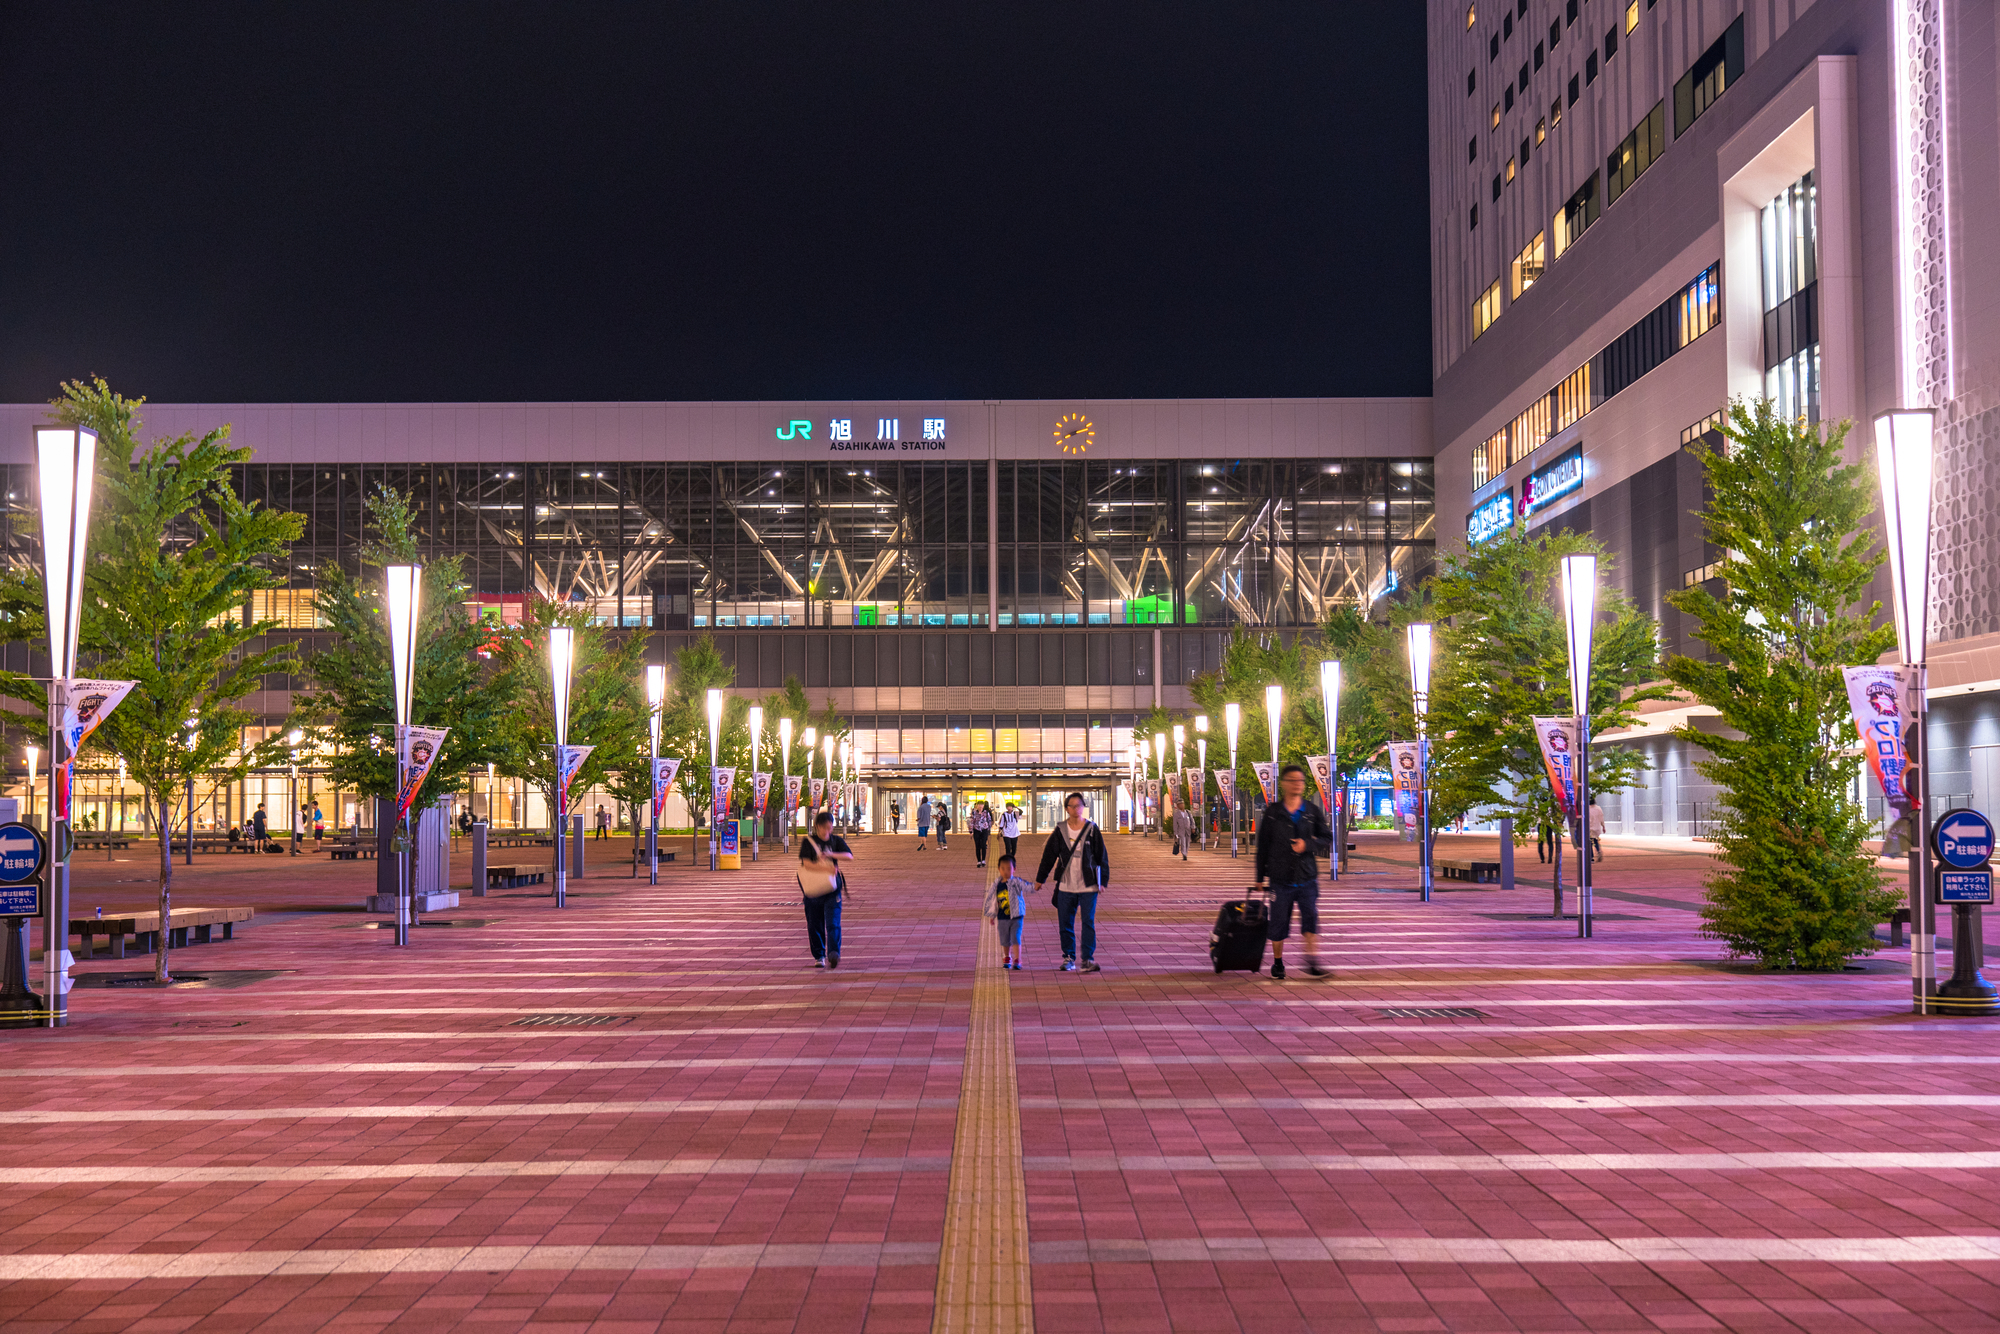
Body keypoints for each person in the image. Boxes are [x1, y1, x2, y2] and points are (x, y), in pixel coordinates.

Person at [1256, 763, 1332, 980]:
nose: (1298, 784)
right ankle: (1278, 963)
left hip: (1306, 877)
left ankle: (1312, 962)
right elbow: (1263, 847)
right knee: (1279, 922)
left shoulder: (1310, 811)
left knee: (1310, 918)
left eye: (1301, 780)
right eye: (1293, 780)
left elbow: (1327, 837)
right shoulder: (1273, 813)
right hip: (1280, 878)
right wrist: (1260, 878)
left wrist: (1306, 845)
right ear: (1284, 784)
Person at [1033, 791, 1110, 972]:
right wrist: (1040, 879)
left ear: (1084, 807)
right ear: (1066, 809)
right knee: (1065, 923)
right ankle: (1069, 957)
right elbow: (1049, 856)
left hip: (1088, 884)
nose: (1076, 809)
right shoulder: (1060, 830)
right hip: (1066, 885)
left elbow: (1101, 856)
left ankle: (1087, 959)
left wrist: (1103, 881)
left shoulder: (1092, 829)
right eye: (1072, 806)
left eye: (1079, 805)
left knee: (1088, 922)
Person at [798, 810, 854, 968]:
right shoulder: (809, 841)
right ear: (817, 826)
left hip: (832, 888)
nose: (827, 831)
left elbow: (849, 856)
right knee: (814, 924)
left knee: (833, 922)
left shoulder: (836, 840)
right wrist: (825, 869)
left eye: (830, 828)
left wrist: (830, 854)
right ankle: (819, 955)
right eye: (824, 828)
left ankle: (833, 953)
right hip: (813, 890)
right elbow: (806, 864)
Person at [985, 852, 1030, 970]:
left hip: (1016, 916)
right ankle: (1007, 956)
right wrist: (992, 915)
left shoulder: (1016, 882)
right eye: (1003, 869)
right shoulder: (997, 885)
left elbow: (1026, 886)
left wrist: (1035, 887)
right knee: (1005, 939)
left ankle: (1017, 960)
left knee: (1016, 937)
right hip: (1002, 917)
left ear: (1014, 869)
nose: (1006, 871)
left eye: (1009, 868)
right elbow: (995, 901)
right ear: (999, 869)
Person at [970, 800, 993, 867]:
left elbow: (989, 821)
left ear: (983, 806)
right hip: (976, 830)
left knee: (983, 845)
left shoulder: (986, 812)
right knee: (977, 846)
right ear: (977, 805)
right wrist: (971, 831)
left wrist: (989, 830)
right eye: (979, 805)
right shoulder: (974, 813)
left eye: (981, 805)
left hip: (984, 830)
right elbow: (971, 822)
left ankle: (983, 860)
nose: (980, 806)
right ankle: (978, 860)